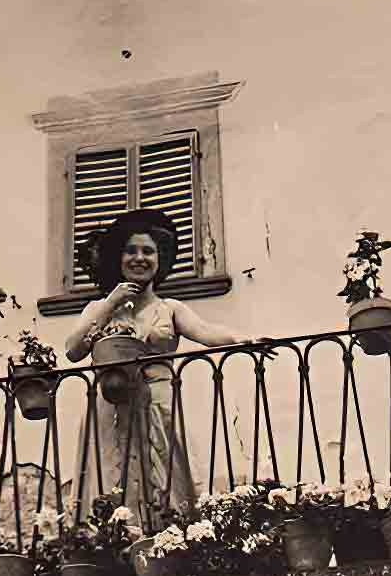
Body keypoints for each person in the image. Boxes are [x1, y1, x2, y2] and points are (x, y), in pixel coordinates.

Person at [66, 208, 258, 534]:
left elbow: (207, 332)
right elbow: (73, 350)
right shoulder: (98, 308)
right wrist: (111, 302)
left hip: (159, 405)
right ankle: (111, 544)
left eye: (148, 251)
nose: (139, 258)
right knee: (109, 482)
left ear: (160, 259)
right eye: (131, 250)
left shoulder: (170, 308)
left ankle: (172, 543)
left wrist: (243, 339)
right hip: (110, 409)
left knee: (168, 484)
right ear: (118, 258)